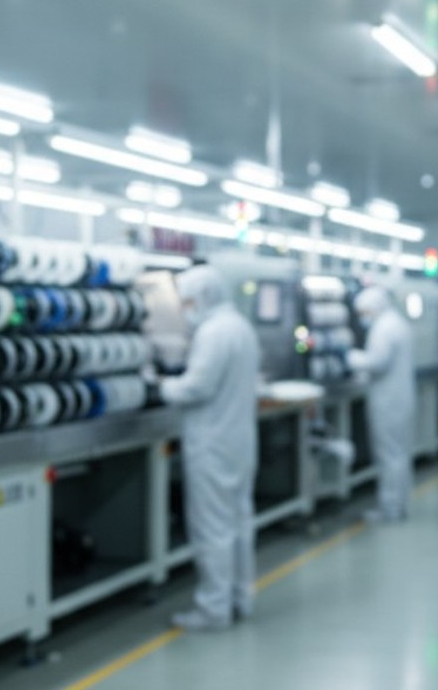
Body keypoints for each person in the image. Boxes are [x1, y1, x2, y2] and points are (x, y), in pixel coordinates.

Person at [158, 265, 260, 631]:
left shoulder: (214, 332)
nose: (185, 308)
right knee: (238, 524)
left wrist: (159, 386)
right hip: (239, 441)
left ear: (202, 297)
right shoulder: (240, 327)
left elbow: (197, 387)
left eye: (186, 301)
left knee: (212, 528)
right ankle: (240, 598)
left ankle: (213, 609)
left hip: (213, 443)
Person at [347, 286, 416, 523]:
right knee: (397, 454)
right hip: (398, 396)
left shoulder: (384, 328)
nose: (363, 318)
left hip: (388, 400)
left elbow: (377, 362)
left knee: (389, 455)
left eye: (364, 312)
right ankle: (398, 504)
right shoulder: (396, 323)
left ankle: (390, 508)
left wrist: (348, 356)